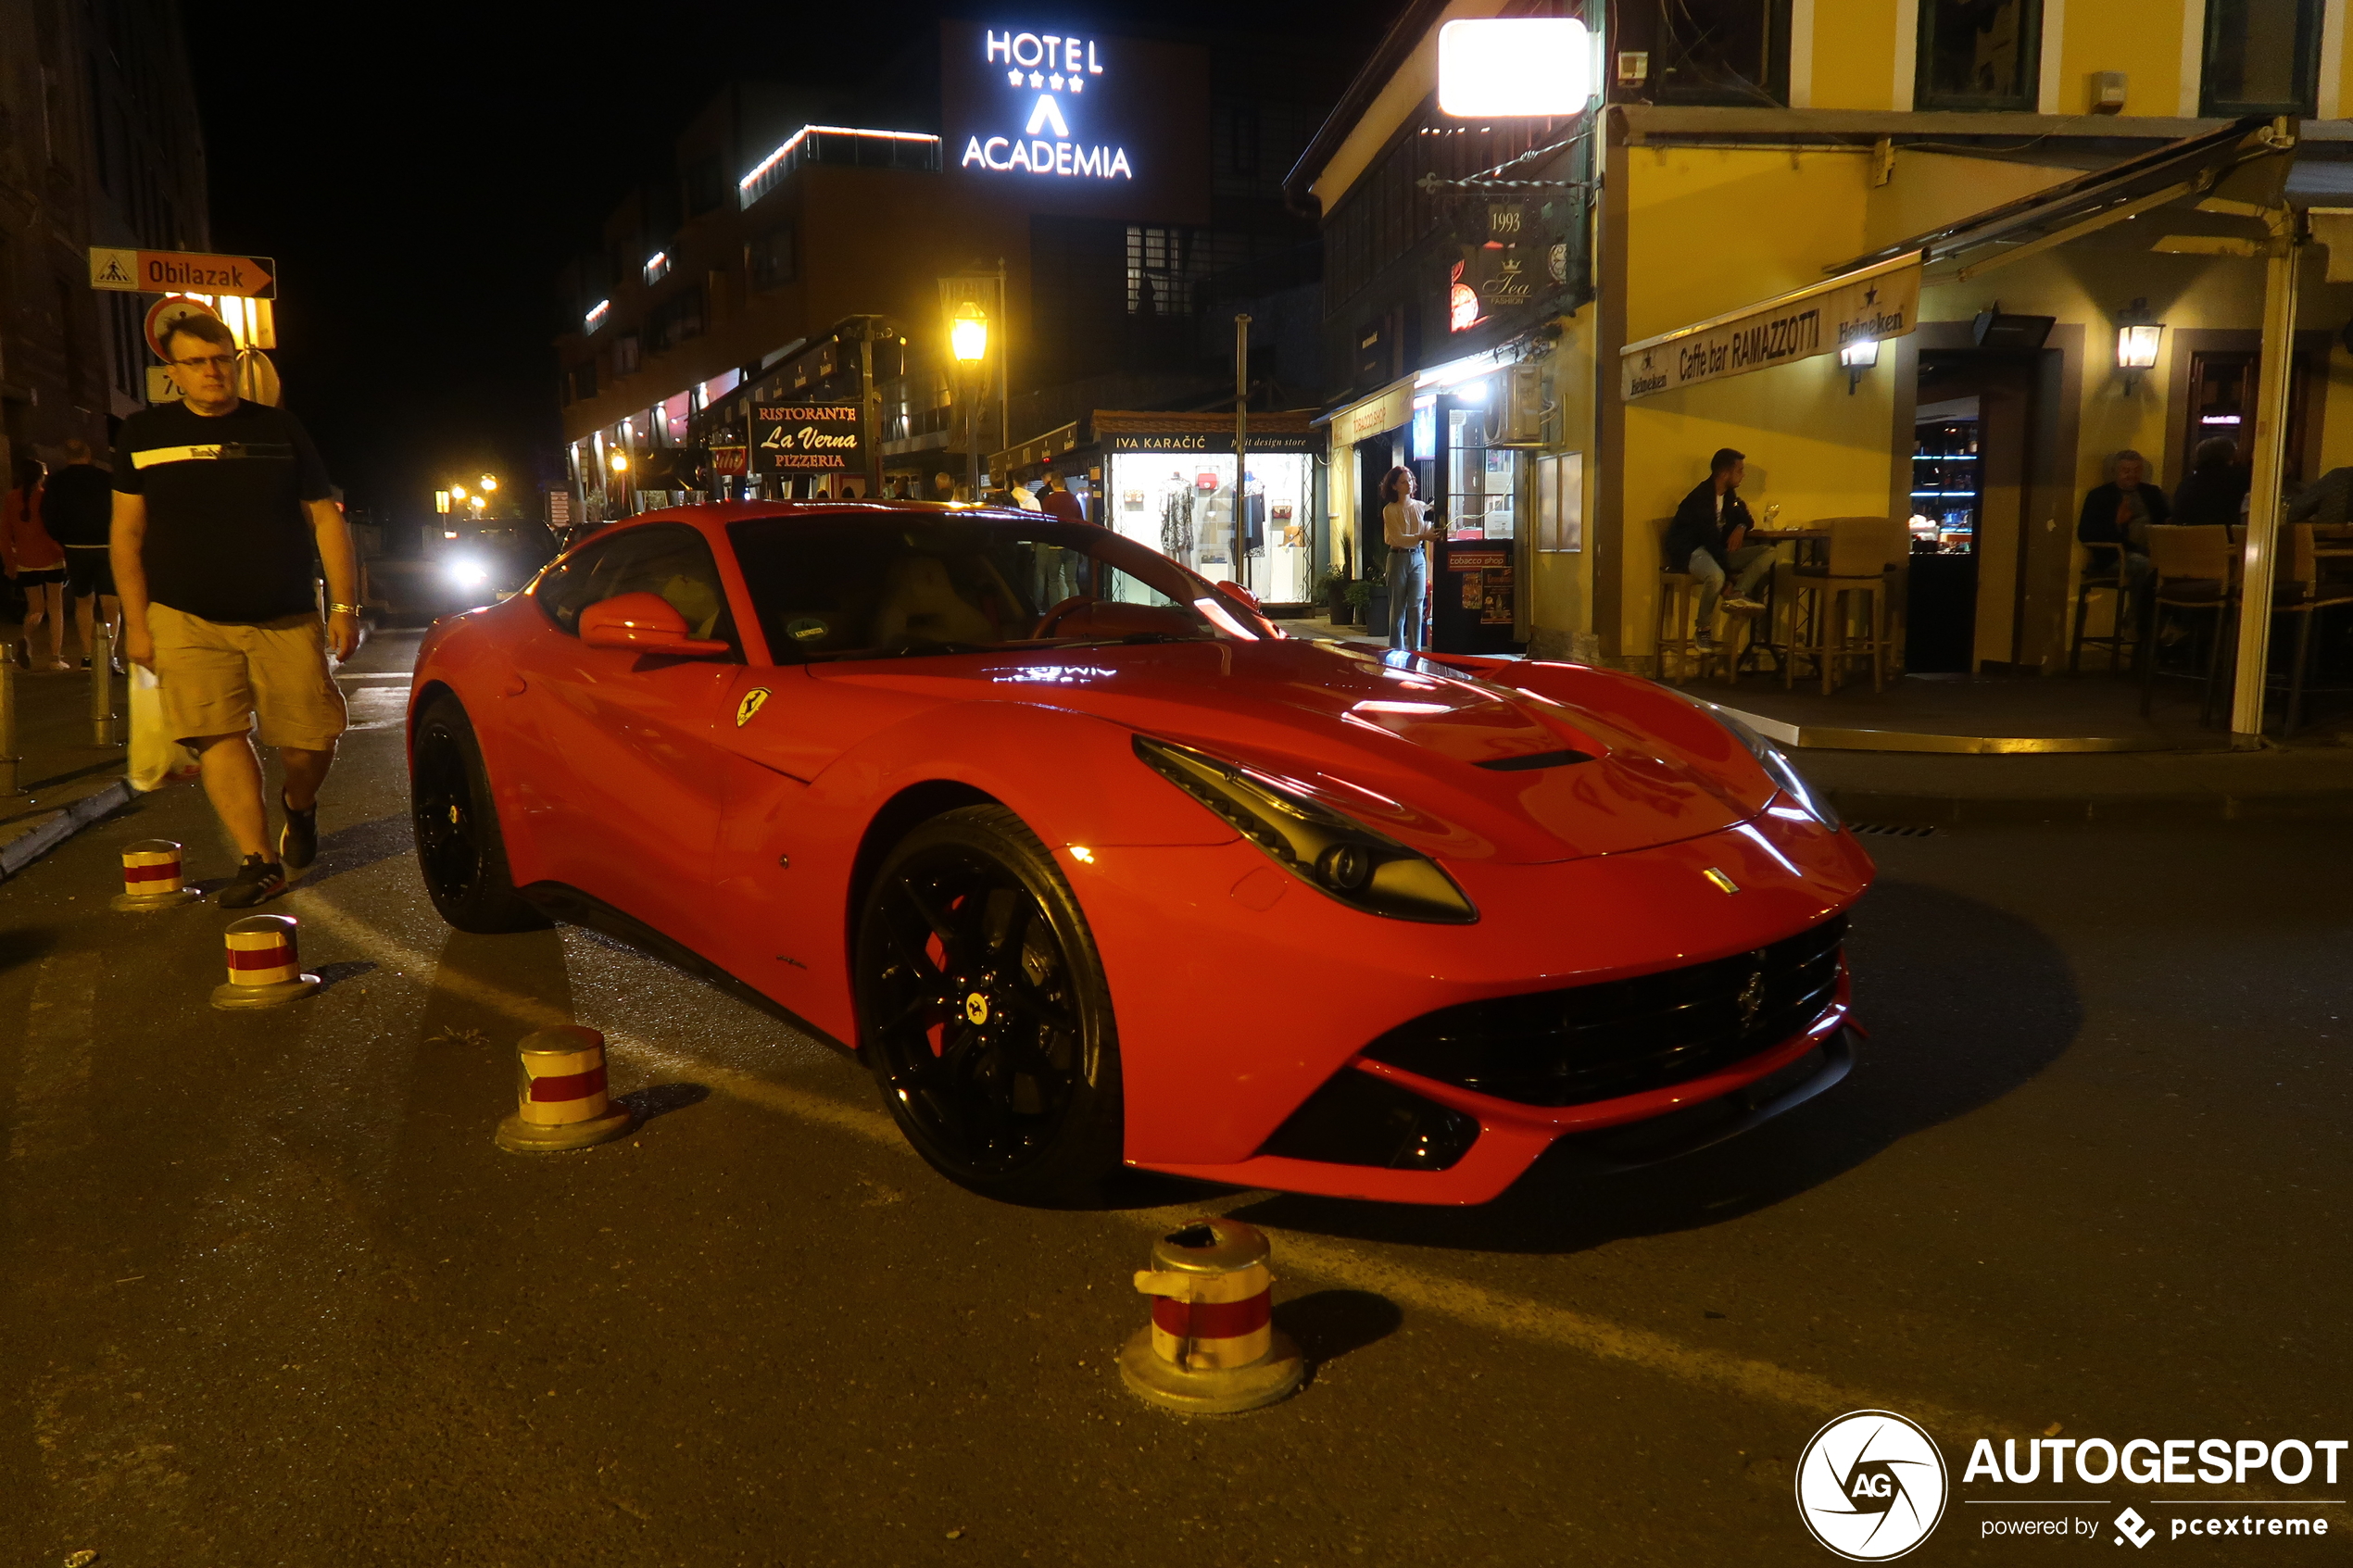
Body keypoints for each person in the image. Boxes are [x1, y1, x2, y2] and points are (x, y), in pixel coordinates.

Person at [112, 313, 359, 909]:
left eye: (220, 358)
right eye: (196, 362)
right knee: (216, 734)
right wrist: (138, 623)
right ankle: (259, 859)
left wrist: (347, 603)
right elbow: (126, 535)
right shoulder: (142, 435)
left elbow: (326, 518)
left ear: (235, 361)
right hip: (184, 615)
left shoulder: (279, 428)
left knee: (310, 741)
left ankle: (299, 807)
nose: (211, 372)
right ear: (173, 373)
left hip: (283, 612)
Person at [1663, 447, 1771, 648]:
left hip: (1716, 552)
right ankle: (1703, 629)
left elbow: (1747, 519)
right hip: (1691, 551)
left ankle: (1737, 595)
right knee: (1716, 577)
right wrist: (1728, 578)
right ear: (1724, 473)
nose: (1743, 475)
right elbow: (1710, 540)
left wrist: (1740, 527)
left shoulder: (1730, 496)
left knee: (1768, 551)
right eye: (1739, 470)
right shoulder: (1700, 498)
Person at [43, 437, 120, 668]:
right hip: (107, 545)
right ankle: (109, 653)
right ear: (89, 454)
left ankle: (88, 653)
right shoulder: (106, 479)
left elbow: (48, 515)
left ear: (66, 457)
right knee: (111, 603)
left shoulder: (56, 482)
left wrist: (61, 539)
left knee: (83, 601)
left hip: (75, 548)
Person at [3, 458, 70, 670]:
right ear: (41, 476)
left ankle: (26, 637)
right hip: (51, 559)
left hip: (25, 560)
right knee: (56, 607)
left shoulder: (10, 498)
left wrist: (9, 563)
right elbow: (53, 529)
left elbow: (5, 534)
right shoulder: (45, 497)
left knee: (35, 608)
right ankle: (55, 658)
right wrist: (63, 554)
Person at [2076, 448, 2169, 596]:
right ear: (2115, 472)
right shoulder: (2100, 496)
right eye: (2126, 470)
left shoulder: (2152, 493)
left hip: (2152, 551)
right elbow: (2085, 534)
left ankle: (2164, 616)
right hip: (2115, 555)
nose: (2132, 475)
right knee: (2145, 566)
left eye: (2137, 470)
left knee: (2178, 566)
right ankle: (2137, 617)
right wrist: (2117, 524)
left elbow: (2166, 520)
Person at [1379, 465, 1440, 654]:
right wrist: (1422, 537)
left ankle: (1415, 651)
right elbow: (1397, 538)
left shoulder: (1421, 507)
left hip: (1417, 556)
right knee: (1397, 608)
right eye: (1403, 482)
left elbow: (1428, 530)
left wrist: (1429, 532)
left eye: (1410, 480)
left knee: (1416, 605)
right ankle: (1396, 651)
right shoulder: (1390, 510)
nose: (1409, 484)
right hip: (1397, 557)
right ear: (1394, 486)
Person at [2171, 437, 2248, 530]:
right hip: (2223, 538)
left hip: (2184, 538)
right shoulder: (2238, 477)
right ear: (2230, 455)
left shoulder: (2187, 482)